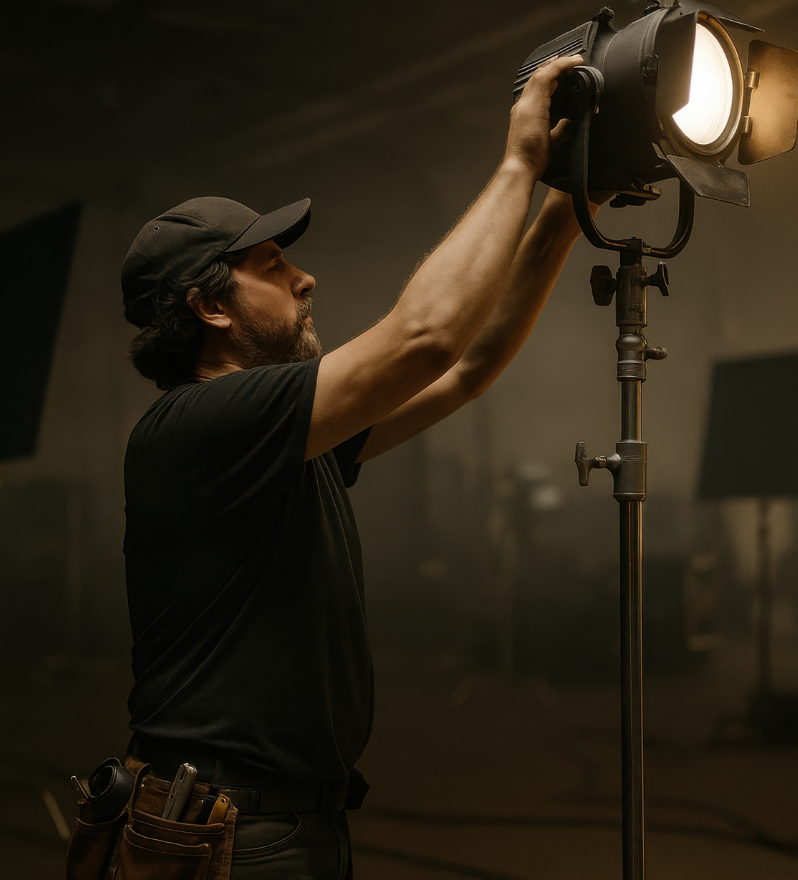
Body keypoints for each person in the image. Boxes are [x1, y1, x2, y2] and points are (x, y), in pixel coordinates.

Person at [114, 54, 593, 879]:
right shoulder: (204, 425)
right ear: (210, 306)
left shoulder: (278, 433)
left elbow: (463, 367)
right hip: (231, 835)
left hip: (280, 821)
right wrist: (519, 162)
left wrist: (567, 205)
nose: (306, 278)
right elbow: (424, 338)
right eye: (271, 267)